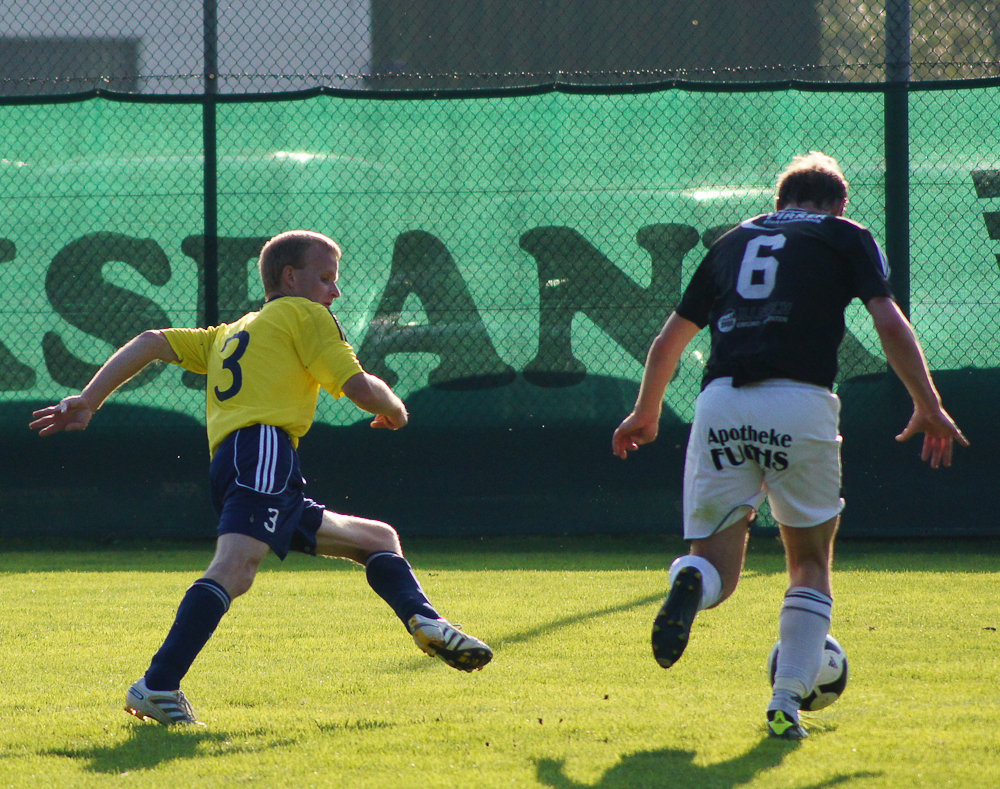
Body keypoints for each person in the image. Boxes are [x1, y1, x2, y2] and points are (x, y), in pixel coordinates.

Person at [30, 229, 493, 726]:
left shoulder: (233, 331)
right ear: (290, 277)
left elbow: (150, 342)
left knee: (377, 539)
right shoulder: (305, 314)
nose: (335, 291)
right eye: (325, 278)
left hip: (238, 461)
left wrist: (89, 399)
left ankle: (427, 622)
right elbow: (359, 387)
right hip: (264, 451)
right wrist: (397, 409)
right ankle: (158, 684)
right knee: (235, 568)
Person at [612, 152, 967, 740]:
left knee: (716, 569)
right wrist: (927, 404)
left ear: (778, 204)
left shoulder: (731, 242)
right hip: (799, 402)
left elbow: (668, 341)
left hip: (720, 403)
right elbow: (888, 321)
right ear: (839, 205)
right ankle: (785, 703)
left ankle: (690, 578)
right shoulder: (845, 235)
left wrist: (645, 413)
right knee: (808, 563)